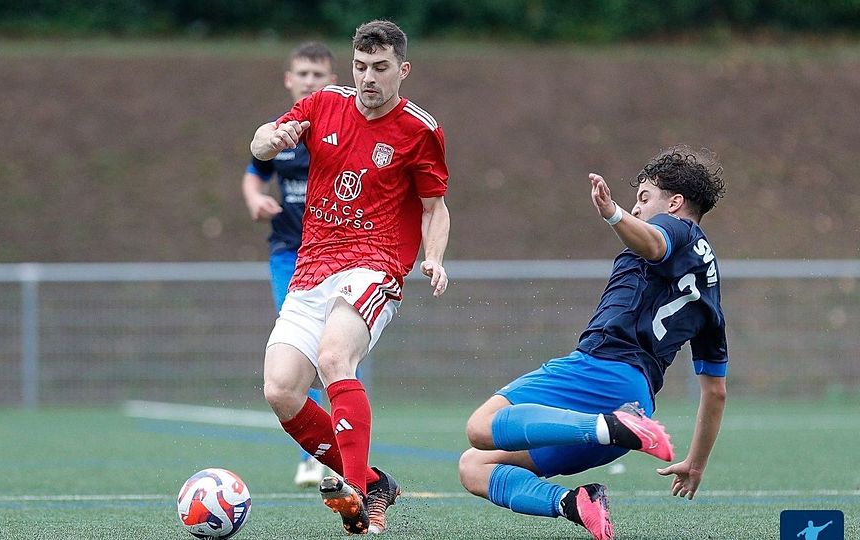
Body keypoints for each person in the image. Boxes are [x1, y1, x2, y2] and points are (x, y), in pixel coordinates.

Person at [458, 146, 728, 540]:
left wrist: (613, 214)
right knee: (473, 466)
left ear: (675, 203)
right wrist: (696, 465)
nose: (637, 209)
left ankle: (609, 426)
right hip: (635, 401)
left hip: (601, 370)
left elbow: (654, 243)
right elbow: (716, 391)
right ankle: (576, 502)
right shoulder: (710, 292)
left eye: (644, 198)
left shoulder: (677, 229)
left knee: (480, 427)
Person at [250, 19, 450, 535]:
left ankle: (360, 496)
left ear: (402, 70)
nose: (368, 78)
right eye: (361, 66)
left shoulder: (420, 129)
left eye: (380, 68)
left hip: (375, 263)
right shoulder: (322, 104)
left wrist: (434, 257)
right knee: (280, 388)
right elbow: (260, 145)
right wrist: (273, 137)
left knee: (335, 356)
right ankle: (373, 481)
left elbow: (435, 206)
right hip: (312, 264)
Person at [242, 41, 338, 488]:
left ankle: (341, 443)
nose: (310, 81)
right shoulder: (279, 133)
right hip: (288, 254)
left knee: (332, 353)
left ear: (332, 80)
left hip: (337, 252)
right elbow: (254, 172)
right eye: (303, 74)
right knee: (301, 346)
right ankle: (311, 455)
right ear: (289, 79)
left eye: (318, 75)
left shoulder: (339, 129)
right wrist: (255, 198)